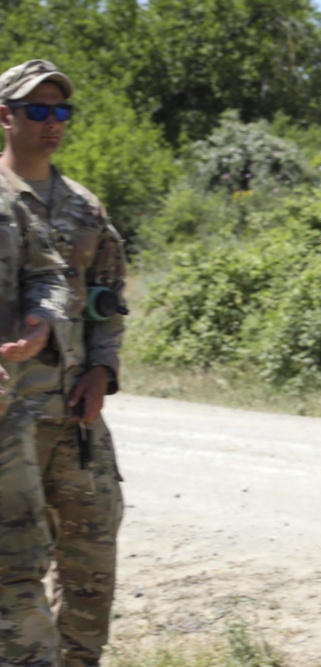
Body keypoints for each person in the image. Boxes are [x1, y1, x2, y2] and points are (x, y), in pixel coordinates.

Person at [0, 59, 128, 667]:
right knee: (16, 562)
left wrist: (103, 368)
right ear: (5, 116)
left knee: (94, 549)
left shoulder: (84, 207)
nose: (53, 123)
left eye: (61, 112)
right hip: (9, 416)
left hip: (75, 414)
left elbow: (108, 297)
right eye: (37, 111)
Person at [0, 167, 72, 664]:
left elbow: (47, 271)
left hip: (5, 423)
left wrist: (42, 318)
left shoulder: (9, 201)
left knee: (21, 562)